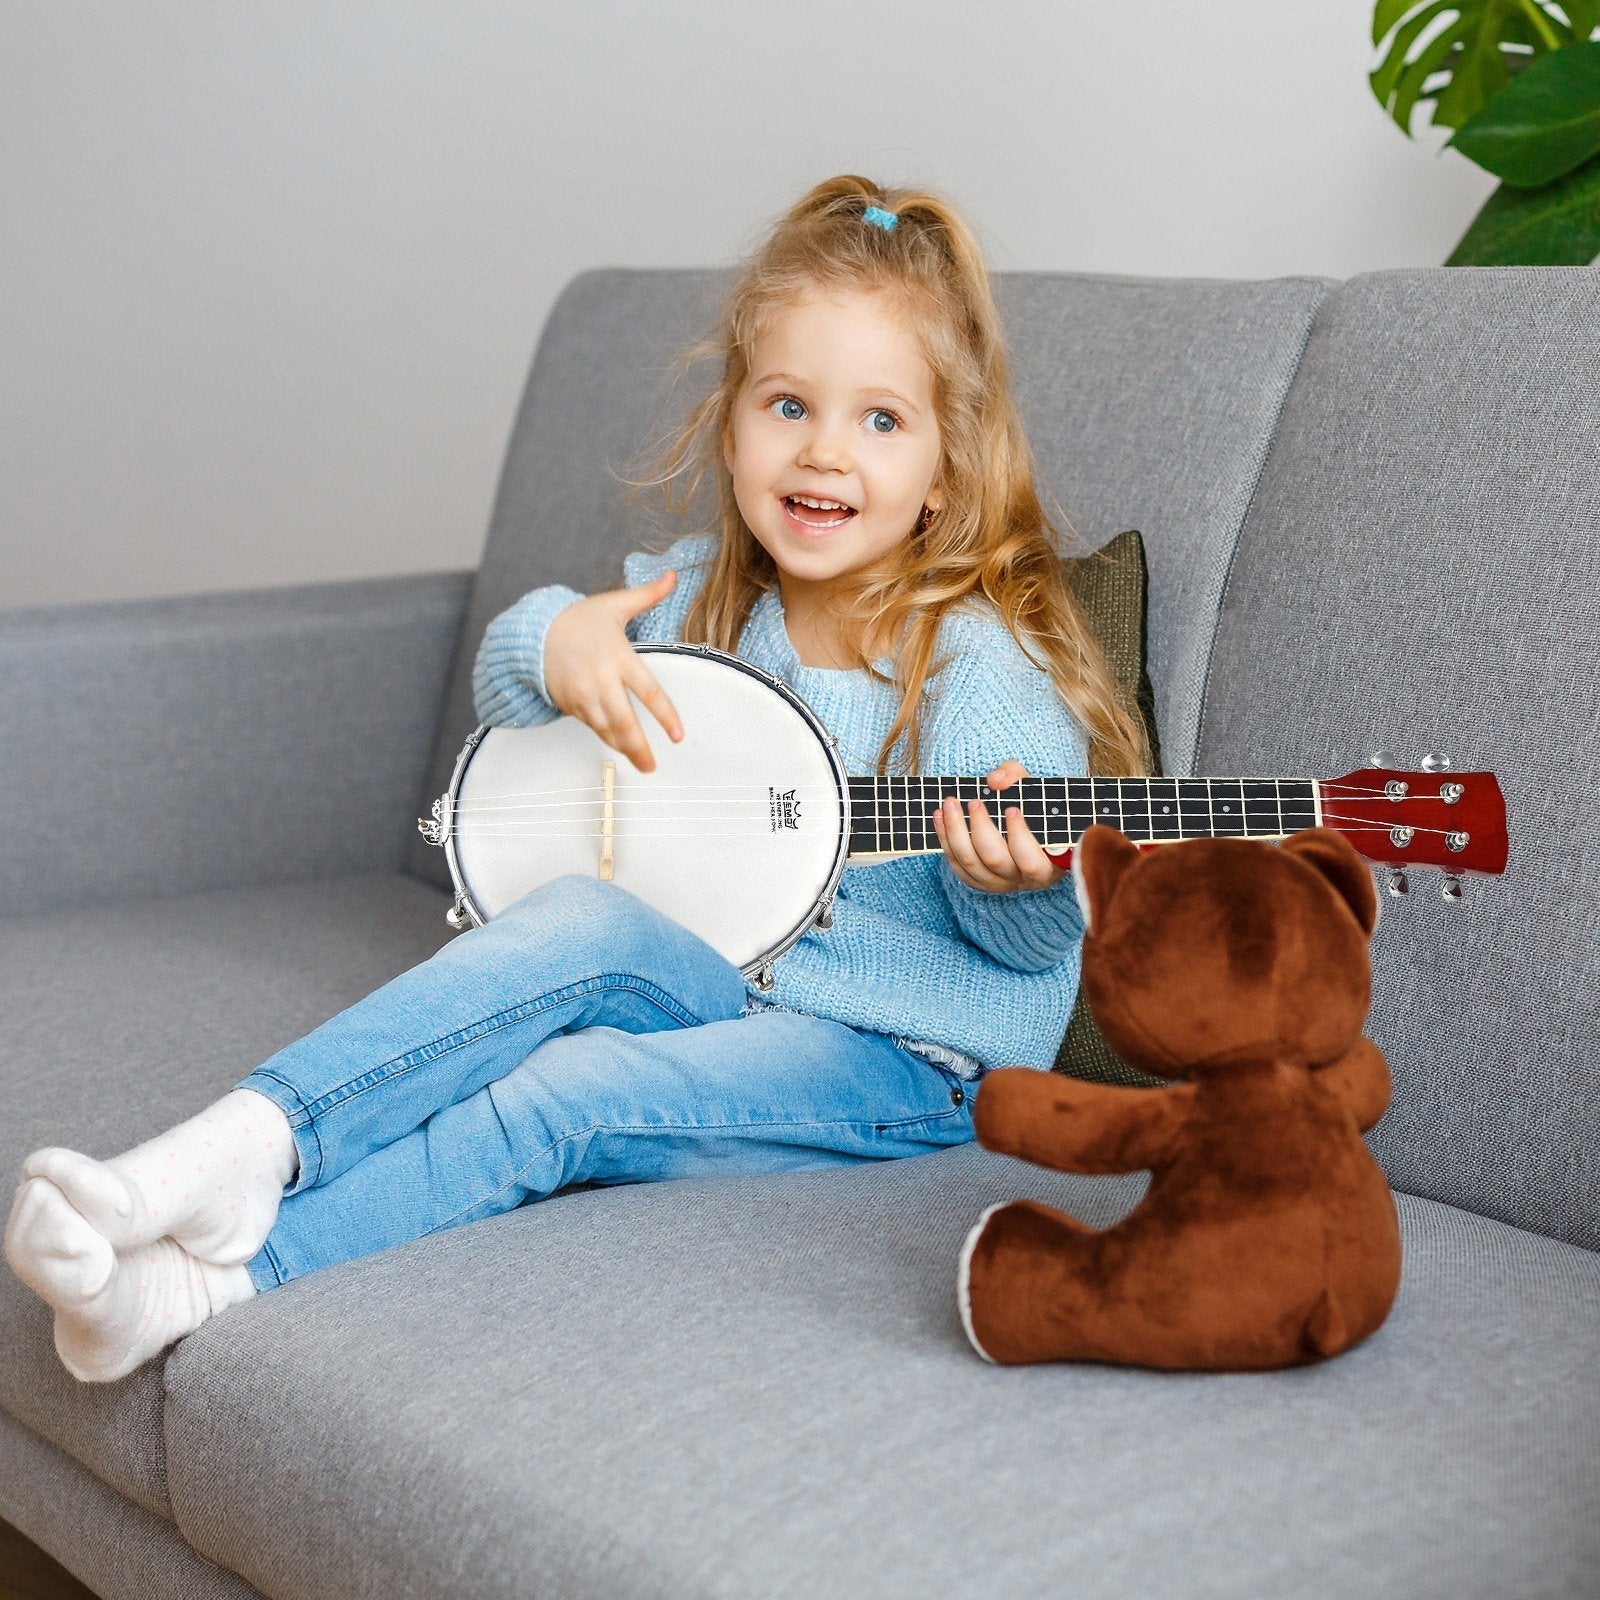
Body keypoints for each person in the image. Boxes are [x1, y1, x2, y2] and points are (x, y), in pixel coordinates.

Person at [4, 175, 1149, 1383]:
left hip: (898, 1057)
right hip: (723, 978)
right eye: (789, 404)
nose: (823, 449)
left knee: (563, 1090)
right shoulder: (708, 597)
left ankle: (205, 1277)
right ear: (731, 423)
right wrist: (555, 643)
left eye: (879, 420)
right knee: (576, 918)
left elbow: (1020, 951)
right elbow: (521, 682)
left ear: (944, 465)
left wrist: (1015, 885)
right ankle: (239, 1144)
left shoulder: (978, 668)